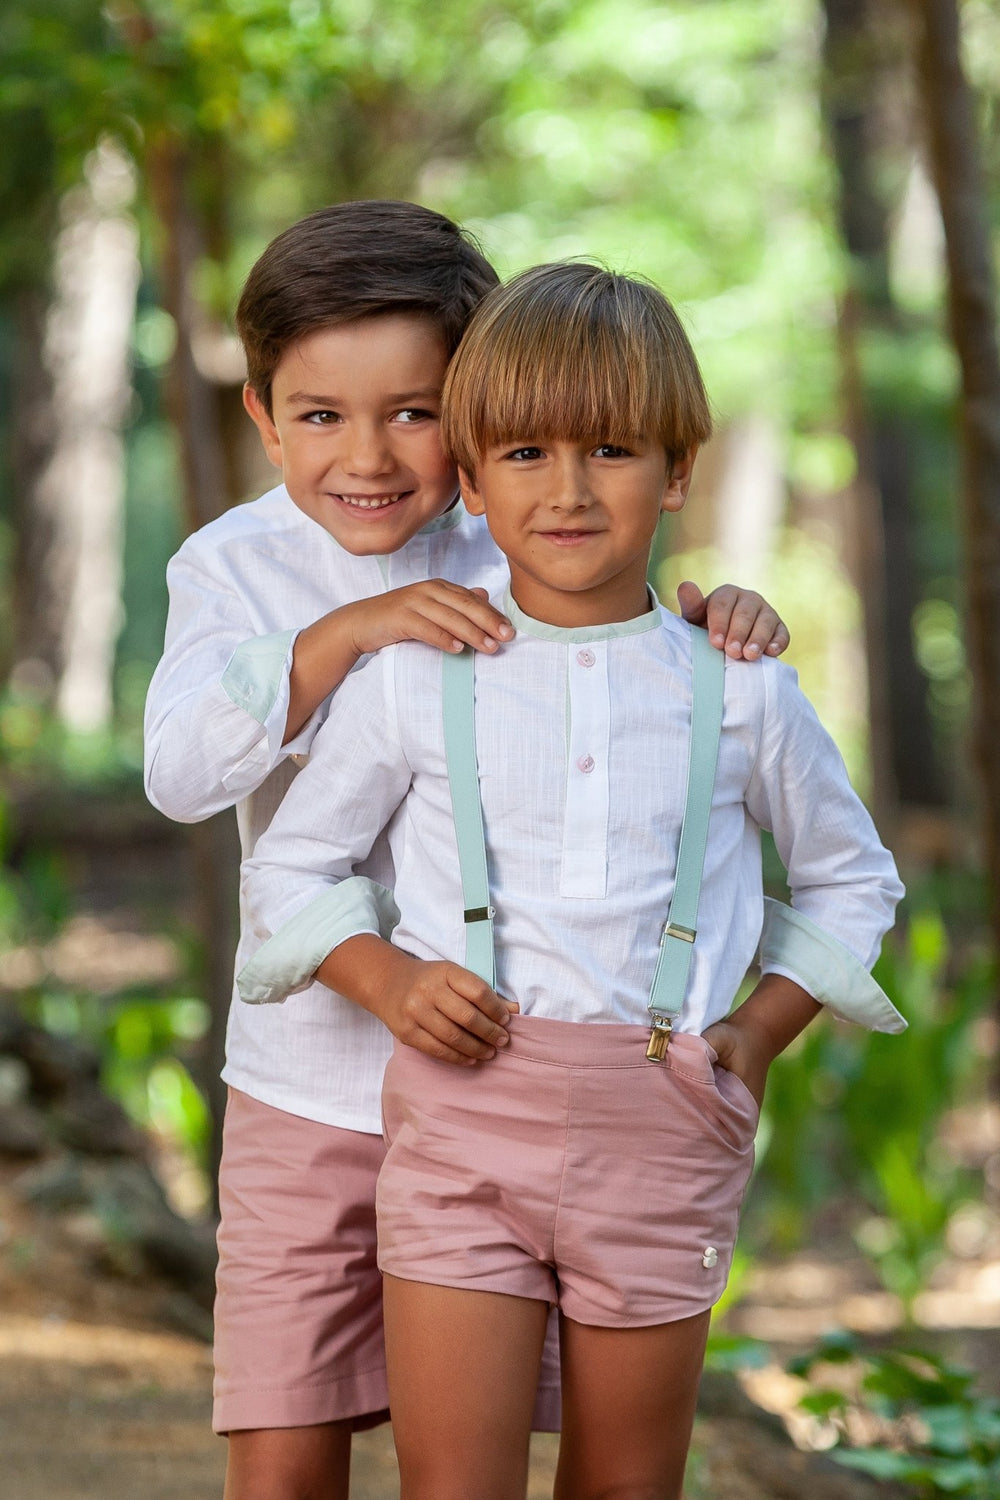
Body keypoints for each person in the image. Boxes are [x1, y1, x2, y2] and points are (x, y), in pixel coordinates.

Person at [145, 204, 792, 1500]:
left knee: (483, 1453)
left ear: (480, 412)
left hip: (507, 1094)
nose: (368, 456)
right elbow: (180, 775)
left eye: (416, 412)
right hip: (310, 1088)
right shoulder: (233, 566)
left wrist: (717, 615)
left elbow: (636, 658)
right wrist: (355, 630)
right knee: (283, 1452)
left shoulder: (515, 535)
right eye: (319, 415)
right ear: (263, 419)